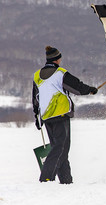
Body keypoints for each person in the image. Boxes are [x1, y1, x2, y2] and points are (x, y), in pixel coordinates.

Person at [32, 46, 99, 184]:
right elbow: (77, 87)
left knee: (59, 148)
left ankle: (66, 181)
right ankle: (46, 178)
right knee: (60, 148)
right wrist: (90, 90)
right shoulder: (60, 73)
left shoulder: (37, 75)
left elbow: (35, 98)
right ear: (58, 59)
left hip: (46, 117)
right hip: (60, 114)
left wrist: (36, 116)